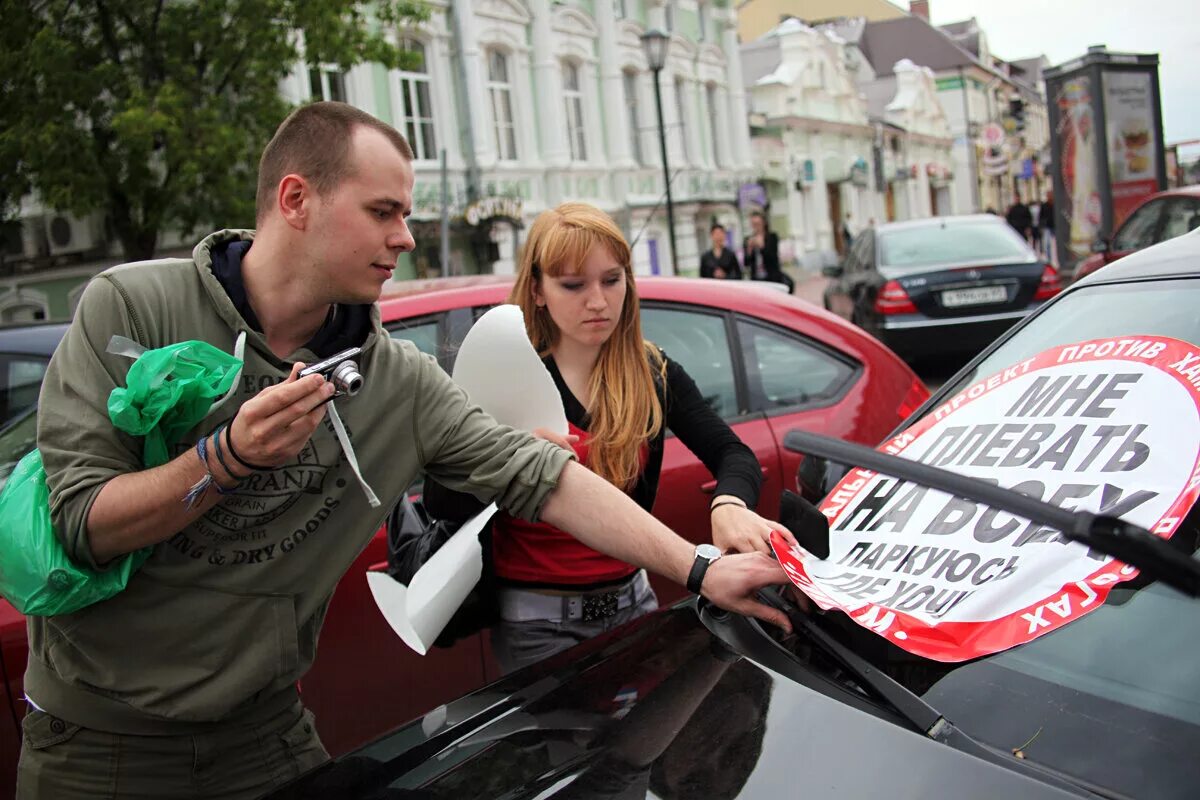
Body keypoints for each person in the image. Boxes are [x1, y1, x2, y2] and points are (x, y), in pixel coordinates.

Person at [19, 103, 789, 799]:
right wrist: (222, 461)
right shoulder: (132, 306)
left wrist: (700, 568)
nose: (406, 237)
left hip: (266, 737)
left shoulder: (396, 380)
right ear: (296, 201)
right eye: (383, 211)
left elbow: (545, 479)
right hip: (98, 746)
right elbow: (84, 522)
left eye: (408, 213)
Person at [425, 202, 787, 675]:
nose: (597, 301)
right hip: (536, 625)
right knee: (567, 750)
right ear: (537, 290)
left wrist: (729, 505)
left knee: (648, 750)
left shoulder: (652, 372)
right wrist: (505, 464)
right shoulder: (507, 376)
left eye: (611, 280)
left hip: (635, 602)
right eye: (573, 285)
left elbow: (731, 452)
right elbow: (441, 500)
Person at [742, 211, 794, 294]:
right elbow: (746, 263)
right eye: (753, 224)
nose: (756, 227)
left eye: (758, 224)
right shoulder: (748, 239)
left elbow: (773, 258)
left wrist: (762, 246)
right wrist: (749, 250)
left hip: (771, 277)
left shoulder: (772, 237)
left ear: (763, 223)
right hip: (756, 278)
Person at [1039, 190, 1056, 263]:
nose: (1049, 196)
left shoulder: (1055, 204)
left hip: (1055, 226)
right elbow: (1041, 216)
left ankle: (1055, 258)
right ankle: (1049, 259)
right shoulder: (1044, 205)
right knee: (1048, 244)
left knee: (1056, 243)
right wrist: (1042, 225)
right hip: (1047, 226)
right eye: (1048, 195)